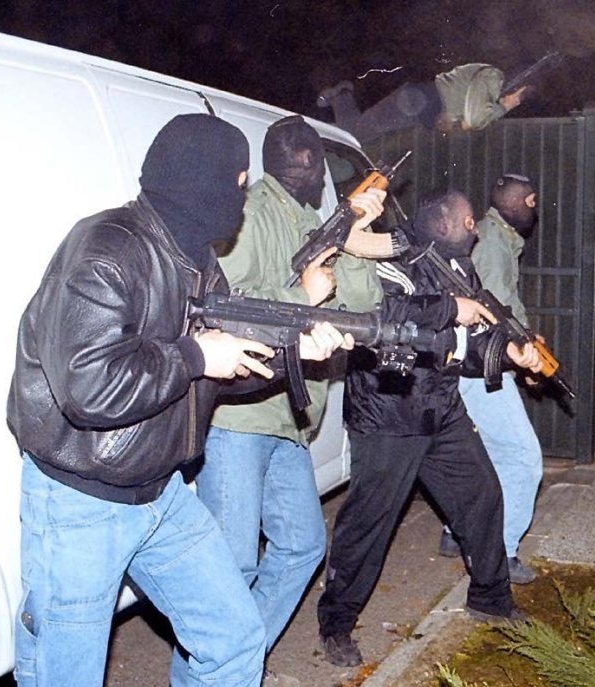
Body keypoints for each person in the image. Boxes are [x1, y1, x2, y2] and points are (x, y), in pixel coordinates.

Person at [6, 113, 347, 687]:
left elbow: (220, 372)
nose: (242, 198)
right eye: (238, 182)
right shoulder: (107, 249)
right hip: (82, 501)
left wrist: (293, 349)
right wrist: (195, 355)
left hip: (161, 494)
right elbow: (89, 386)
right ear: (201, 179)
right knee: (65, 675)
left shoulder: (198, 261)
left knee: (235, 641)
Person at [189, 116, 384, 686]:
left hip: (288, 419)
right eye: (305, 158)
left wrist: (355, 238)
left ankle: (237, 663)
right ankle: (214, 673)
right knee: (233, 568)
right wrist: (301, 293)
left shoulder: (311, 220)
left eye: (309, 156)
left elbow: (360, 305)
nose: (310, 168)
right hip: (242, 415)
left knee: (301, 546)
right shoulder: (250, 214)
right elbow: (221, 307)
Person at [316, 189, 542, 667]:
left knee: (482, 495)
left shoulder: (463, 269)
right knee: (369, 523)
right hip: (389, 413)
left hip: (440, 407)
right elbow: (382, 316)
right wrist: (449, 309)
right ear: (441, 225)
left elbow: (467, 348)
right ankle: (336, 623)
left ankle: (491, 597)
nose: (475, 228)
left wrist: (510, 354)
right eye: (466, 220)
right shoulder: (395, 261)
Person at [439, 173, 543, 585]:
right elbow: (496, 314)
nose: (535, 210)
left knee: (485, 453)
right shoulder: (494, 245)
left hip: (476, 362)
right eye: (532, 202)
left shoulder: (496, 239)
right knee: (522, 458)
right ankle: (501, 553)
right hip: (482, 367)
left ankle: (456, 531)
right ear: (516, 204)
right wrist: (524, 354)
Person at [317, 63, 527, 143]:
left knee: (357, 135)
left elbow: (464, 120)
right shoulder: (493, 75)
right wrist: (505, 107)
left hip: (418, 108)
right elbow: (474, 119)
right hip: (415, 102)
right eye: (521, 94)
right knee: (355, 134)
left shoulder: (489, 85)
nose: (519, 99)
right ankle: (341, 95)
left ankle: (342, 95)